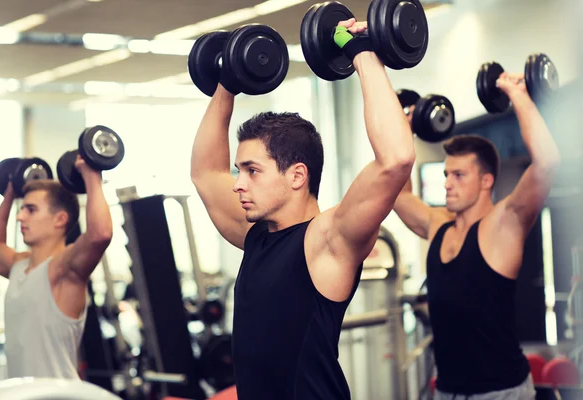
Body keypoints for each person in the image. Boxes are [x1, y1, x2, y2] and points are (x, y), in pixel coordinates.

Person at [191, 19, 415, 400]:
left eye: (252, 171)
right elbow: (204, 173)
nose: (237, 183)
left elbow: (395, 159)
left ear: (297, 176)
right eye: (239, 170)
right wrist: (227, 81)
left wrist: (360, 53)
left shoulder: (327, 242)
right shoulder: (256, 236)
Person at [395, 72, 561, 399]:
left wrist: (517, 93)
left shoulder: (503, 225)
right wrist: (407, 126)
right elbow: (398, 192)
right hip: (449, 391)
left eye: (458, 175)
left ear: (486, 181)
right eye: (445, 174)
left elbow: (546, 163)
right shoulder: (437, 223)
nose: (446, 183)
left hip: (500, 392)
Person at [0, 155, 113, 379]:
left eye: (31, 210)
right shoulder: (18, 265)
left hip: (57, 396)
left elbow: (100, 235)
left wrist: (91, 175)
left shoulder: (64, 269)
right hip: (23, 395)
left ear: (60, 219)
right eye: (21, 209)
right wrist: (11, 193)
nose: (20, 217)